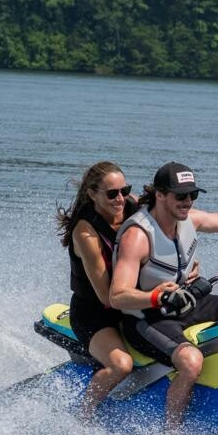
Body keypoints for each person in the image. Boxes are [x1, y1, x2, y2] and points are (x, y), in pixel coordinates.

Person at [106, 161, 218, 429]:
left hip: (187, 304)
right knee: (191, 362)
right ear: (160, 194)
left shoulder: (189, 220)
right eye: (181, 196)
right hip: (148, 318)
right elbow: (118, 296)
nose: (188, 202)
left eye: (192, 195)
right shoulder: (137, 236)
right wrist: (157, 297)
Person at [56, 160, 139, 419]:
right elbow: (106, 296)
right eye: (112, 194)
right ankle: (84, 417)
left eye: (125, 191)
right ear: (92, 194)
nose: (121, 199)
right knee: (121, 365)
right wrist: (154, 296)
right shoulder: (86, 233)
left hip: (131, 304)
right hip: (95, 313)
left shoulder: (133, 206)